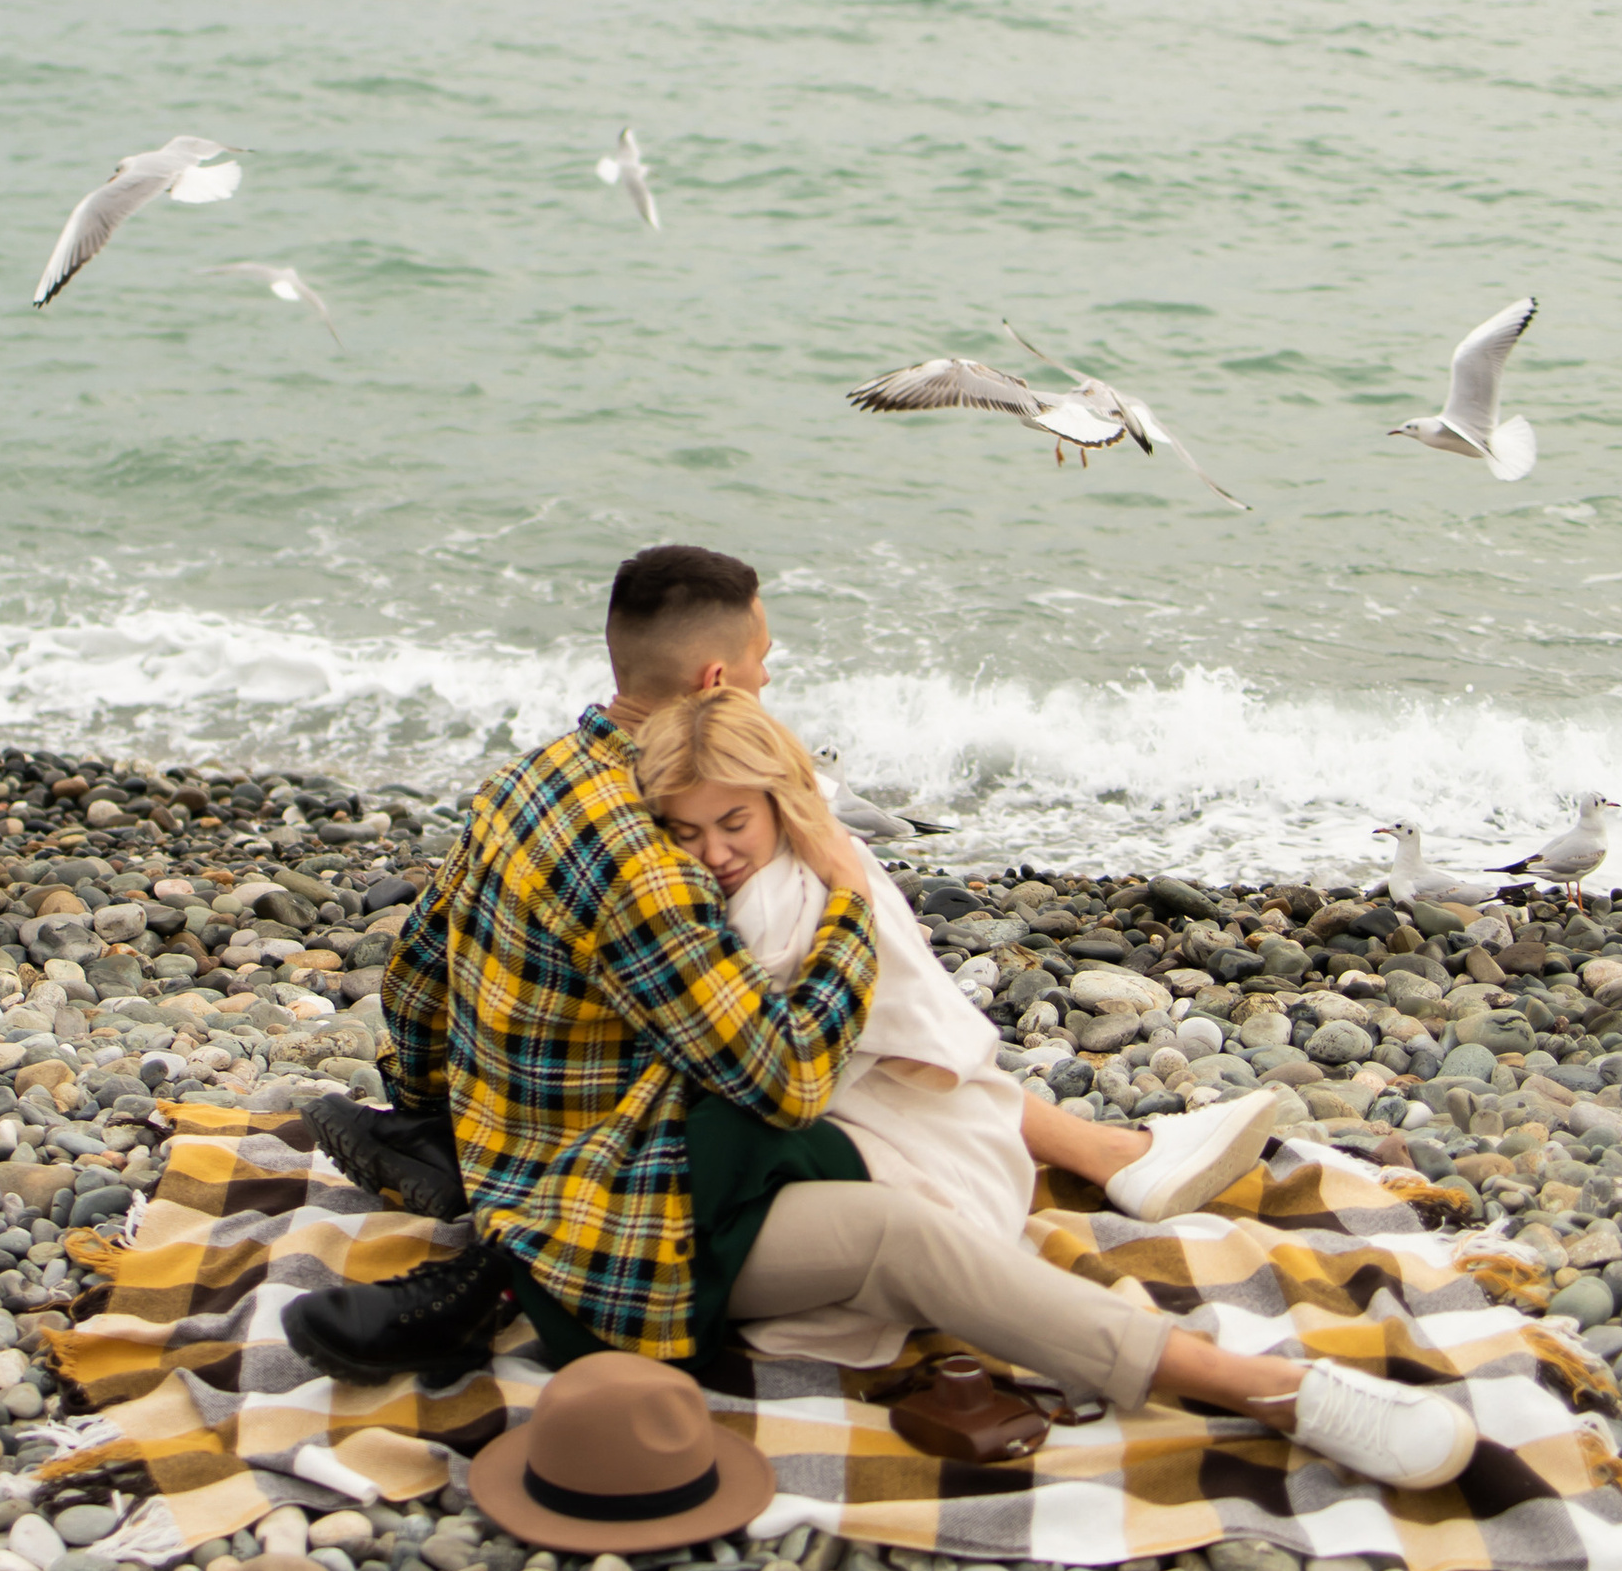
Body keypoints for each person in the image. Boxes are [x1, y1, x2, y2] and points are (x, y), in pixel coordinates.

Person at [631, 687, 1470, 1488]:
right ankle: (1259, 1386)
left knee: (915, 1187)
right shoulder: (679, 918)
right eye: (686, 832)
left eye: (734, 823)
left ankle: (1132, 1182)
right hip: (652, 1236)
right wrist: (848, 894)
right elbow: (791, 1072)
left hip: (713, 1185)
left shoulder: (759, 894)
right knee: (914, 1236)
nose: (714, 854)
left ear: (780, 804)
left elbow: (889, 1051)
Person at [287, 543, 879, 1383]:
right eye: (763, 660)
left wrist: (426, 1104)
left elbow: (419, 969)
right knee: (740, 1079)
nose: (769, 680)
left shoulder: (525, 779)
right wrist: (851, 903)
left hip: (489, 1130)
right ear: (716, 682)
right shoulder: (660, 848)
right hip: (595, 1187)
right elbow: (789, 1078)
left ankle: (434, 1152)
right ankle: (498, 1281)